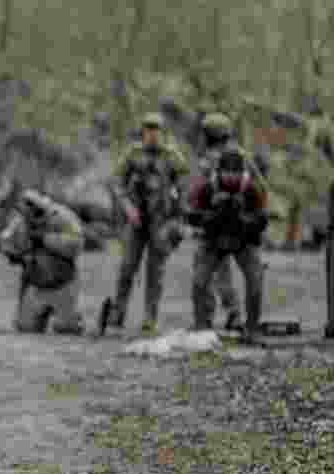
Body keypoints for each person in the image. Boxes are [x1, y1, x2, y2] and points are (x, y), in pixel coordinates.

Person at [101, 113, 189, 335]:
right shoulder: (133, 153)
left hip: (161, 219)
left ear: (163, 132)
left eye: (156, 130)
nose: (152, 134)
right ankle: (117, 316)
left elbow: (184, 187)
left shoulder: (172, 156)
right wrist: (128, 208)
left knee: (155, 272)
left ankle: (150, 319)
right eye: (148, 129)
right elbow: (116, 183)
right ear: (143, 132)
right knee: (127, 267)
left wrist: (178, 217)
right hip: (136, 218)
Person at [187, 147, 269, 344]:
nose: (231, 177)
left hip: (244, 240)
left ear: (242, 173)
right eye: (227, 173)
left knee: (256, 279)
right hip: (213, 239)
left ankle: (252, 328)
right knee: (199, 281)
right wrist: (214, 214)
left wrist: (243, 219)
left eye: (236, 173)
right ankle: (201, 327)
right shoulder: (207, 188)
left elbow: (263, 220)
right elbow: (192, 216)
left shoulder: (252, 189)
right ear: (220, 172)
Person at [194, 112, 262, 331]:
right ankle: (233, 314)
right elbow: (260, 187)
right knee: (223, 273)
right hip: (235, 223)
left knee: (208, 272)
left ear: (210, 134)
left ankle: (212, 316)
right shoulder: (242, 155)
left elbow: (198, 194)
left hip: (220, 224)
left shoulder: (207, 160)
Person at [0, 189, 85, 334]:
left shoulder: (63, 217)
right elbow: (6, 240)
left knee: (66, 328)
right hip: (35, 282)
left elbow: (77, 243)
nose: (29, 216)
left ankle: (71, 317)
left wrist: (45, 239)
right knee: (26, 328)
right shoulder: (20, 222)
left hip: (63, 282)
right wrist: (13, 254)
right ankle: (38, 314)